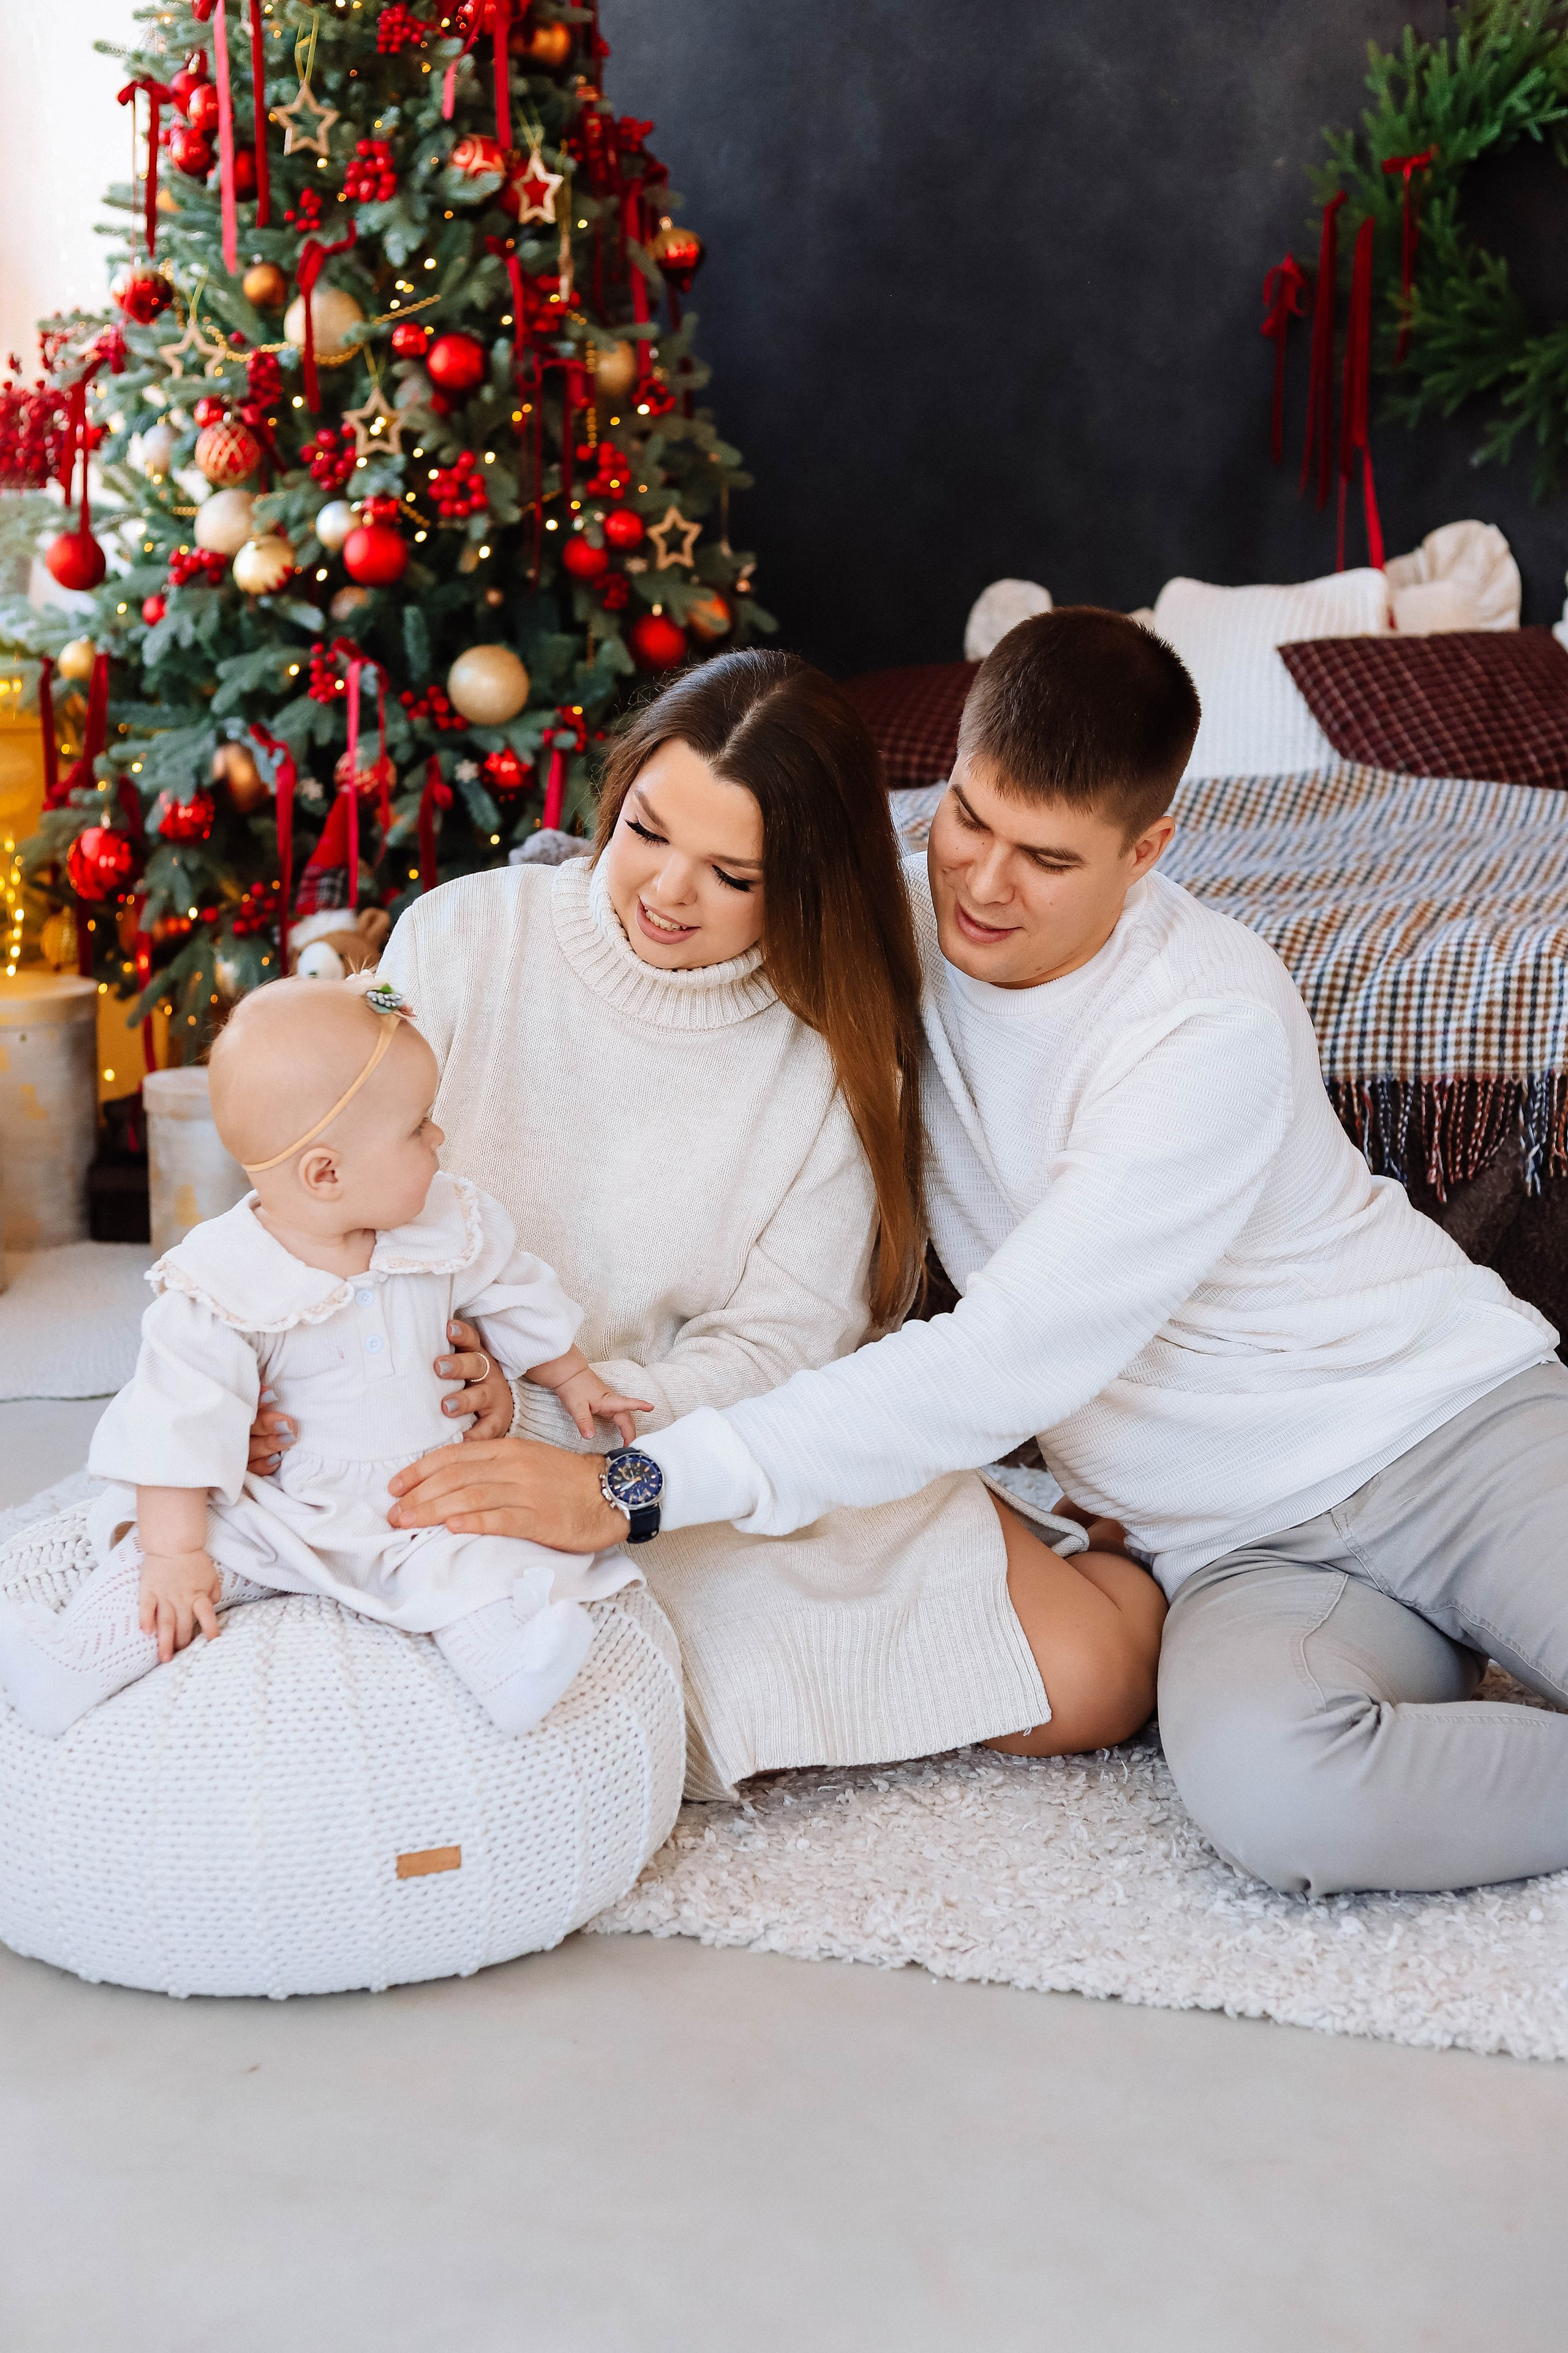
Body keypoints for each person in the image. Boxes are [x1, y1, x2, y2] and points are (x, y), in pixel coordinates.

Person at [402, 610, 1568, 1897]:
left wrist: (631, 1486)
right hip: (1237, 1549)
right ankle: (1428, 1672)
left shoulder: (1203, 1023)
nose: (983, 885)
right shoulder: (889, 924)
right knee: (1282, 1800)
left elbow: (1004, 1358)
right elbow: (635, 920)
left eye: (1046, 857)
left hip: (1444, 1435)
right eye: (968, 818)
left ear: (1144, 852)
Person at [320, 650, 1167, 1798]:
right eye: (646, 831)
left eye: (732, 874)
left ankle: (1129, 1550)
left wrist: (553, 1420)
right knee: (418, 1699)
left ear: (805, 882)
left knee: (1097, 1676)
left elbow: (779, 1351)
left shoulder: (834, 1045)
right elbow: (325, 1160)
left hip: (678, 1459)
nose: (669, 892)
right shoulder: (458, 934)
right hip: (427, 1426)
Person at [0, 976, 645, 1739]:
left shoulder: (443, 1225)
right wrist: (175, 1553)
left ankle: (510, 1668)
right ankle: (70, 1663)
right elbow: (175, 1421)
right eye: (418, 1127)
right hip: (279, 1504)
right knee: (162, 1557)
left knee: (482, 1559)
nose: (439, 1137)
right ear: (327, 1172)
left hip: (424, 1498)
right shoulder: (225, 1281)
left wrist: (573, 1377)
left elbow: (512, 1293)